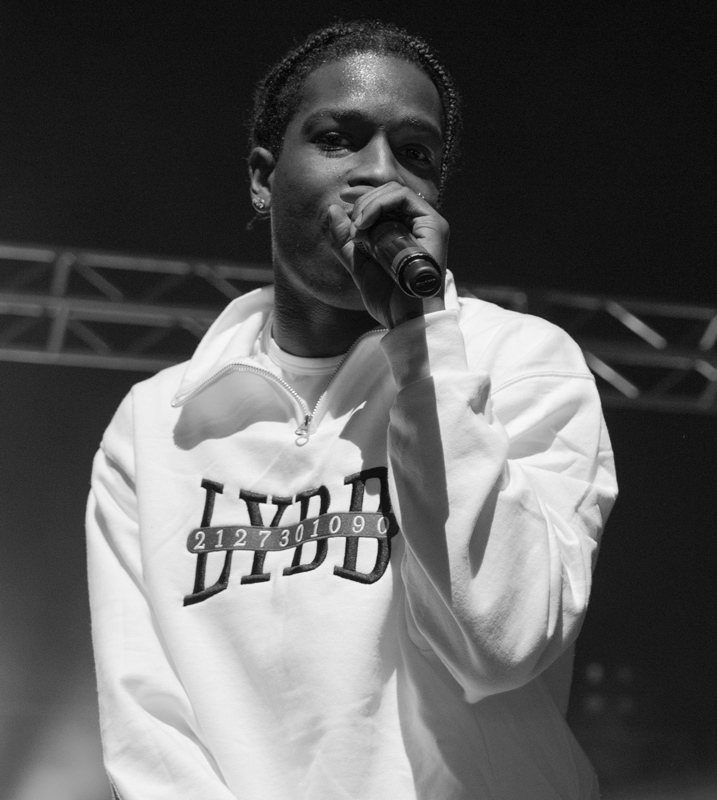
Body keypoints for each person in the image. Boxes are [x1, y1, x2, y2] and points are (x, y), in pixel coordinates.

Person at [86, 19, 617, 800]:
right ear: (264, 178)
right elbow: (149, 728)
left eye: (416, 153)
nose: (380, 174)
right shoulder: (157, 421)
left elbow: (499, 641)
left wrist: (421, 345)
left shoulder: (521, 362)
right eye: (339, 138)